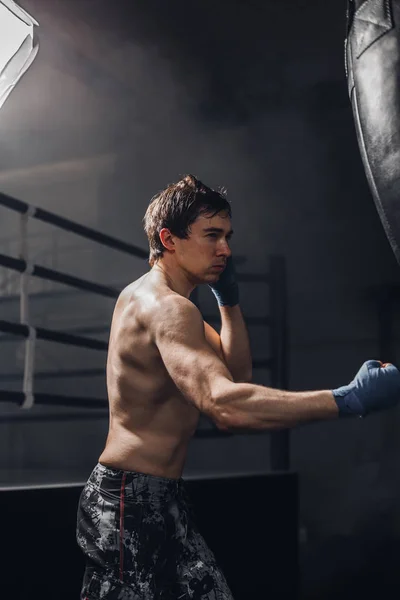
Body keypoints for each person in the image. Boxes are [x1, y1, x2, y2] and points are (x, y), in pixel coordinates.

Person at [77, 174, 400, 600]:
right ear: (168, 239)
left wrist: (228, 302)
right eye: (212, 235)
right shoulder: (167, 309)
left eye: (227, 236)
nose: (226, 249)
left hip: (161, 496)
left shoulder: (166, 302)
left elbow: (236, 376)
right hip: (126, 501)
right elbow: (225, 404)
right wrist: (346, 399)